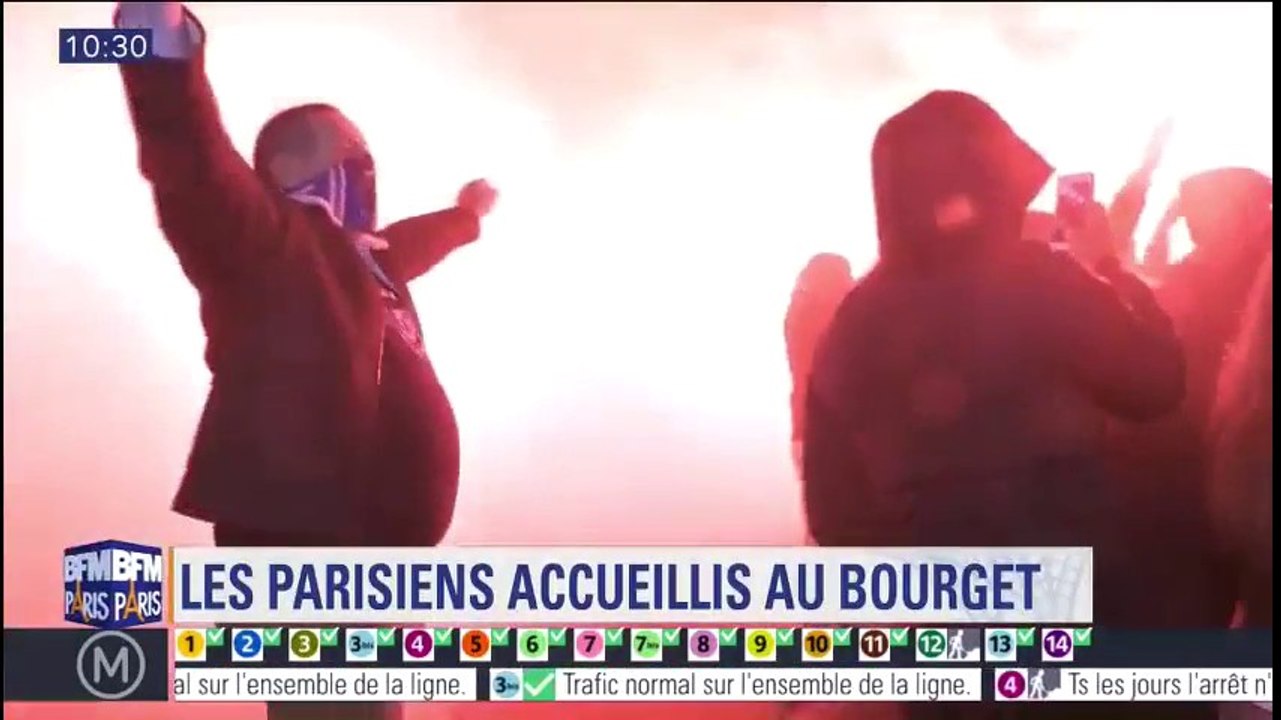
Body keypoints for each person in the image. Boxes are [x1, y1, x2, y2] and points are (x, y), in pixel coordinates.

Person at [115, 4, 496, 719]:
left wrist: (466, 217)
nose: (368, 171)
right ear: (306, 168)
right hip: (306, 552)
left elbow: (411, 241)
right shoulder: (264, 241)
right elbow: (188, 152)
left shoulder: (359, 261)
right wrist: (156, 35)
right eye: (351, 155)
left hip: (365, 559)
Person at [803, 91, 1188, 720]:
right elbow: (1156, 383)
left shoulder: (851, 324)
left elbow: (835, 518)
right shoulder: (1038, 280)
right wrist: (1110, 268)